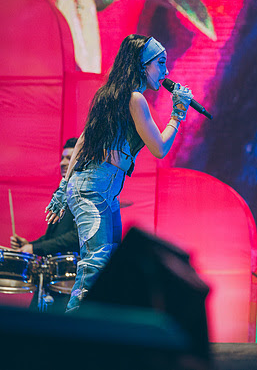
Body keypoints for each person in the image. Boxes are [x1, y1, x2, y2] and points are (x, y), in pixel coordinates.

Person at [44, 34, 194, 311]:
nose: (166, 71)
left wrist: (64, 187)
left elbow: (82, 140)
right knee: (96, 261)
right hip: (93, 188)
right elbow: (159, 148)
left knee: (107, 259)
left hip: (100, 190)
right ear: (141, 64)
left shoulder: (110, 95)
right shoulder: (134, 99)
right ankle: (74, 334)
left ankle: (93, 328)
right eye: (160, 63)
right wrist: (178, 113)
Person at [9, 138, 80, 312]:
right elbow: (54, 237)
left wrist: (36, 249)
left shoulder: (83, 192)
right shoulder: (61, 192)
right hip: (51, 276)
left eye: (68, 158)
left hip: (69, 278)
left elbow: (76, 237)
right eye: (62, 158)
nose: (62, 163)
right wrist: (29, 245)